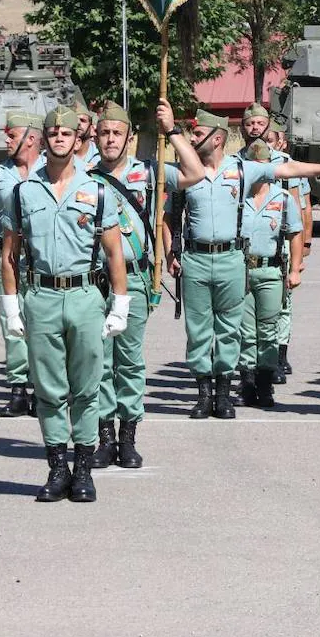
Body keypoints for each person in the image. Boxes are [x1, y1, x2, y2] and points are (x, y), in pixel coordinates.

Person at [164, 109, 320, 419]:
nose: (193, 137)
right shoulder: (185, 172)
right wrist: (170, 252)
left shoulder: (243, 169)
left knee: (230, 330)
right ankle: (203, 393)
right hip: (196, 258)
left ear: (217, 138)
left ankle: (223, 394)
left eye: (197, 132)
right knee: (198, 329)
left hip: (232, 258)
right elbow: (169, 217)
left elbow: (289, 170)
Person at [0, 107, 130, 502]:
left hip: (85, 296)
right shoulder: (22, 192)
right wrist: (10, 306)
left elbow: (113, 253)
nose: (59, 138)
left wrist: (119, 303)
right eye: (52, 132)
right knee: (50, 389)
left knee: (87, 387)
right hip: (40, 295)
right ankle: (57, 468)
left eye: (66, 133)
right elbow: (9, 254)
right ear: (43, 138)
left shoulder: (98, 189)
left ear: (77, 140)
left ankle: (84, 469)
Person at [89, 99, 203, 466]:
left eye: (116, 133)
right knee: (100, 361)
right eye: (104, 133)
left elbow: (196, 172)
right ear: (95, 137)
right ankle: (104, 436)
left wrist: (172, 130)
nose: (110, 139)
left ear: (129, 137)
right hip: (95, 280)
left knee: (129, 361)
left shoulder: (148, 172)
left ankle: (128, 435)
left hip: (135, 277)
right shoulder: (84, 176)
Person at [0, 111, 44, 418]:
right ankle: (18, 389)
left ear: (30, 138)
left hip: (43, 259)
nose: (6, 140)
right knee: (12, 322)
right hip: (9, 257)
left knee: (44, 324)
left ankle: (43, 390)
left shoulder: (51, 169)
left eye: (11, 135)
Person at [239, 105, 306, 384]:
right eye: (250, 122)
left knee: (278, 307)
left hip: (278, 240)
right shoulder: (235, 164)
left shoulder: (283, 163)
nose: (255, 127)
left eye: (260, 122)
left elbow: (299, 209)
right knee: (244, 320)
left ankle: (277, 358)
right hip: (245, 248)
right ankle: (248, 372)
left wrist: (302, 254)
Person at [73, 99, 100, 167]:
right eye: (74, 120)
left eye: (82, 120)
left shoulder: (101, 154)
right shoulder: (58, 153)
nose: (78, 123)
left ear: (91, 128)